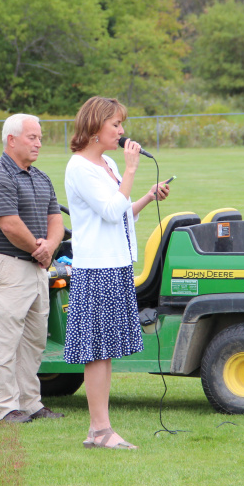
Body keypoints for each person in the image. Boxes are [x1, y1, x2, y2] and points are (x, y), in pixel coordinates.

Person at [63, 96, 170, 450]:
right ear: (95, 127)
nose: (122, 131)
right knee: (96, 350)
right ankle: (98, 430)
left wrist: (146, 198)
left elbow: (122, 212)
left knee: (106, 349)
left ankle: (101, 428)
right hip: (96, 269)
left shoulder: (106, 162)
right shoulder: (80, 167)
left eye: (121, 124)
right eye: (115, 125)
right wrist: (131, 170)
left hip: (116, 265)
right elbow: (110, 211)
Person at [0, 114, 65, 424]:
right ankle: (4, 407)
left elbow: (56, 218)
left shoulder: (40, 177)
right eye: (32, 137)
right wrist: (39, 249)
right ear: (11, 140)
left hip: (36, 267)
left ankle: (30, 403)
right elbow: (9, 224)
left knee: (33, 341)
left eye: (39, 137)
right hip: (7, 266)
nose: (39, 142)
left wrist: (50, 247)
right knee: (4, 341)